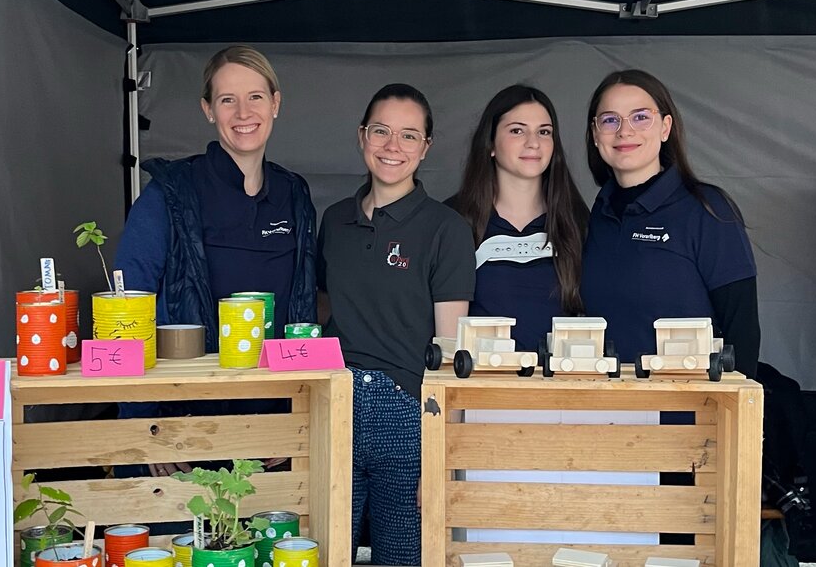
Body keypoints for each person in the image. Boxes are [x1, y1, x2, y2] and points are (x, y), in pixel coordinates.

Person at [113, 45, 317, 473]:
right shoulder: (170, 193)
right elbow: (127, 310)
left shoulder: (294, 195)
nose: (243, 111)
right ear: (208, 109)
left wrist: (299, 415)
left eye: (256, 97)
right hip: (182, 429)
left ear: (276, 103)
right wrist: (146, 422)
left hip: (269, 431)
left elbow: (304, 307)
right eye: (227, 99)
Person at [317, 83, 474, 566]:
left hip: (407, 414)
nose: (392, 146)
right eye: (381, 131)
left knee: (402, 558)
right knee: (327, 552)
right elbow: (325, 319)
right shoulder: (334, 220)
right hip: (334, 407)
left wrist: (439, 456)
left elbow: (450, 353)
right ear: (362, 135)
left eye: (409, 136)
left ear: (426, 147)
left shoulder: (446, 229)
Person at [580, 69, 759, 378]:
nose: (624, 131)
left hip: (689, 412)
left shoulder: (707, 210)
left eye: (640, 117)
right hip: (606, 410)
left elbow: (741, 328)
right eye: (610, 120)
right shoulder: (596, 216)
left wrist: (734, 414)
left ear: (665, 128)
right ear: (596, 134)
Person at [450, 85, 589, 352]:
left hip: (560, 387)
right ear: (490, 143)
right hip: (481, 386)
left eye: (544, 132)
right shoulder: (454, 221)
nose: (533, 142)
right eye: (517, 130)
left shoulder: (578, 222)